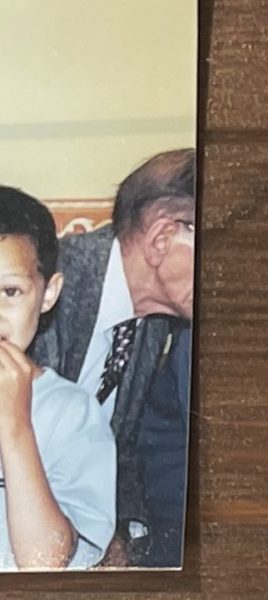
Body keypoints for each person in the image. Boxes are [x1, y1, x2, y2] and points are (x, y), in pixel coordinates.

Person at [32, 150, 193, 569]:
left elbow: (117, 446)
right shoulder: (39, 293)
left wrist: (122, 529)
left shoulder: (156, 316)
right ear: (162, 238)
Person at [0, 187, 113, 571]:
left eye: (10, 291)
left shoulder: (73, 413)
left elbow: (44, 563)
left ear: (48, 294)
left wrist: (16, 426)